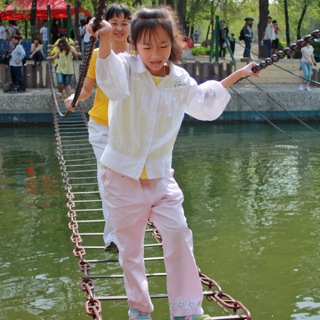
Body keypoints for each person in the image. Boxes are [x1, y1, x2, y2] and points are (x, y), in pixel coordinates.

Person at [88, 6, 259, 320]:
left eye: (164, 46)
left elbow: (205, 102)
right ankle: (140, 309)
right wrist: (103, 39)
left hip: (160, 178)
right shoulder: (124, 68)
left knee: (179, 233)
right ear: (135, 44)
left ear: (174, 44)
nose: (156, 54)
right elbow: (110, 83)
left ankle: (186, 310)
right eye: (148, 46)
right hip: (121, 176)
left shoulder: (179, 79)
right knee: (131, 250)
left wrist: (240, 73)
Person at [64, 3, 132, 253]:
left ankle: (124, 229)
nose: (119, 28)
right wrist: (74, 99)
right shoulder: (96, 56)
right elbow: (87, 88)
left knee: (127, 181)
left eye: (124, 23)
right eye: (113, 23)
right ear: (105, 26)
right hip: (102, 126)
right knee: (108, 180)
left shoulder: (139, 54)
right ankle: (113, 237)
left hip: (130, 128)